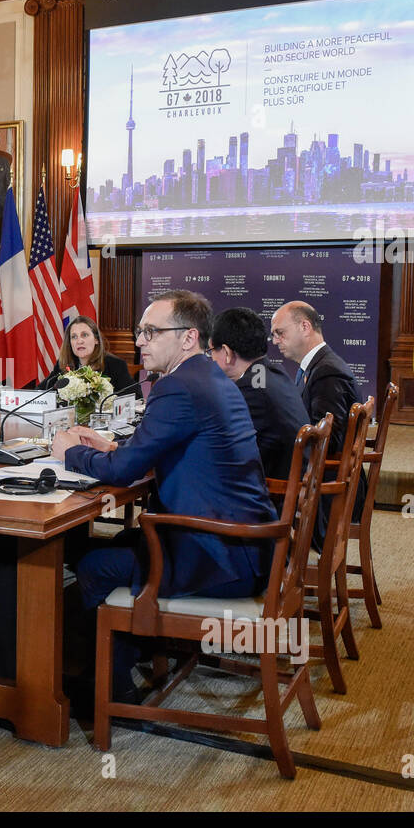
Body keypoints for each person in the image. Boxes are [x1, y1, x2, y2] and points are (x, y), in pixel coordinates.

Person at [52, 290, 275, 700]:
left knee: (93, 567)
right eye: (140, 332)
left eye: (150, 332)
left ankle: (110, 691)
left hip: (219, 556)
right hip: (248, 545)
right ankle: (121, 660)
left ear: (188, 338)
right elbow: (162, 452)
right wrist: (111, 448)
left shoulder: (178, 388)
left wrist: (72, 453)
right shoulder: (208, 377)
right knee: (120, 541)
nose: (139, 341)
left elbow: (122, 475)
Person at [270, 300, 366, 547]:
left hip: (329, 491)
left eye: (280, 333)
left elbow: (327, 441)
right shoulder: (316, 366)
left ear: (305, 327)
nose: (275, 341)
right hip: (325, 480)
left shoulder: (326, 372)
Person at [209, 307, 309, 482]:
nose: (210, 358)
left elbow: (220, 449)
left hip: (276, 499)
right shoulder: (272, 372)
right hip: (295, 494)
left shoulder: (250, 391)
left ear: (226, 352)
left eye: (211, 351)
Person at [40, 315, 134, 395]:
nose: (79, 341)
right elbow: (39, 392)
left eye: (84, 335)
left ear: (96, 339)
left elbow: (135, 397)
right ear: (70, 343)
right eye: (74, 337)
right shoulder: (63, 365)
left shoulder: (116, 365)